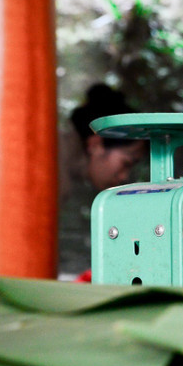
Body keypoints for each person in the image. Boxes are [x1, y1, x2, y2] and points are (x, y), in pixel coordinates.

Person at [58, 84, 148, 278]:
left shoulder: (62, 161)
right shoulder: (52, 169)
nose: (124, 176)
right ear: (96, 144)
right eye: (127, 162)